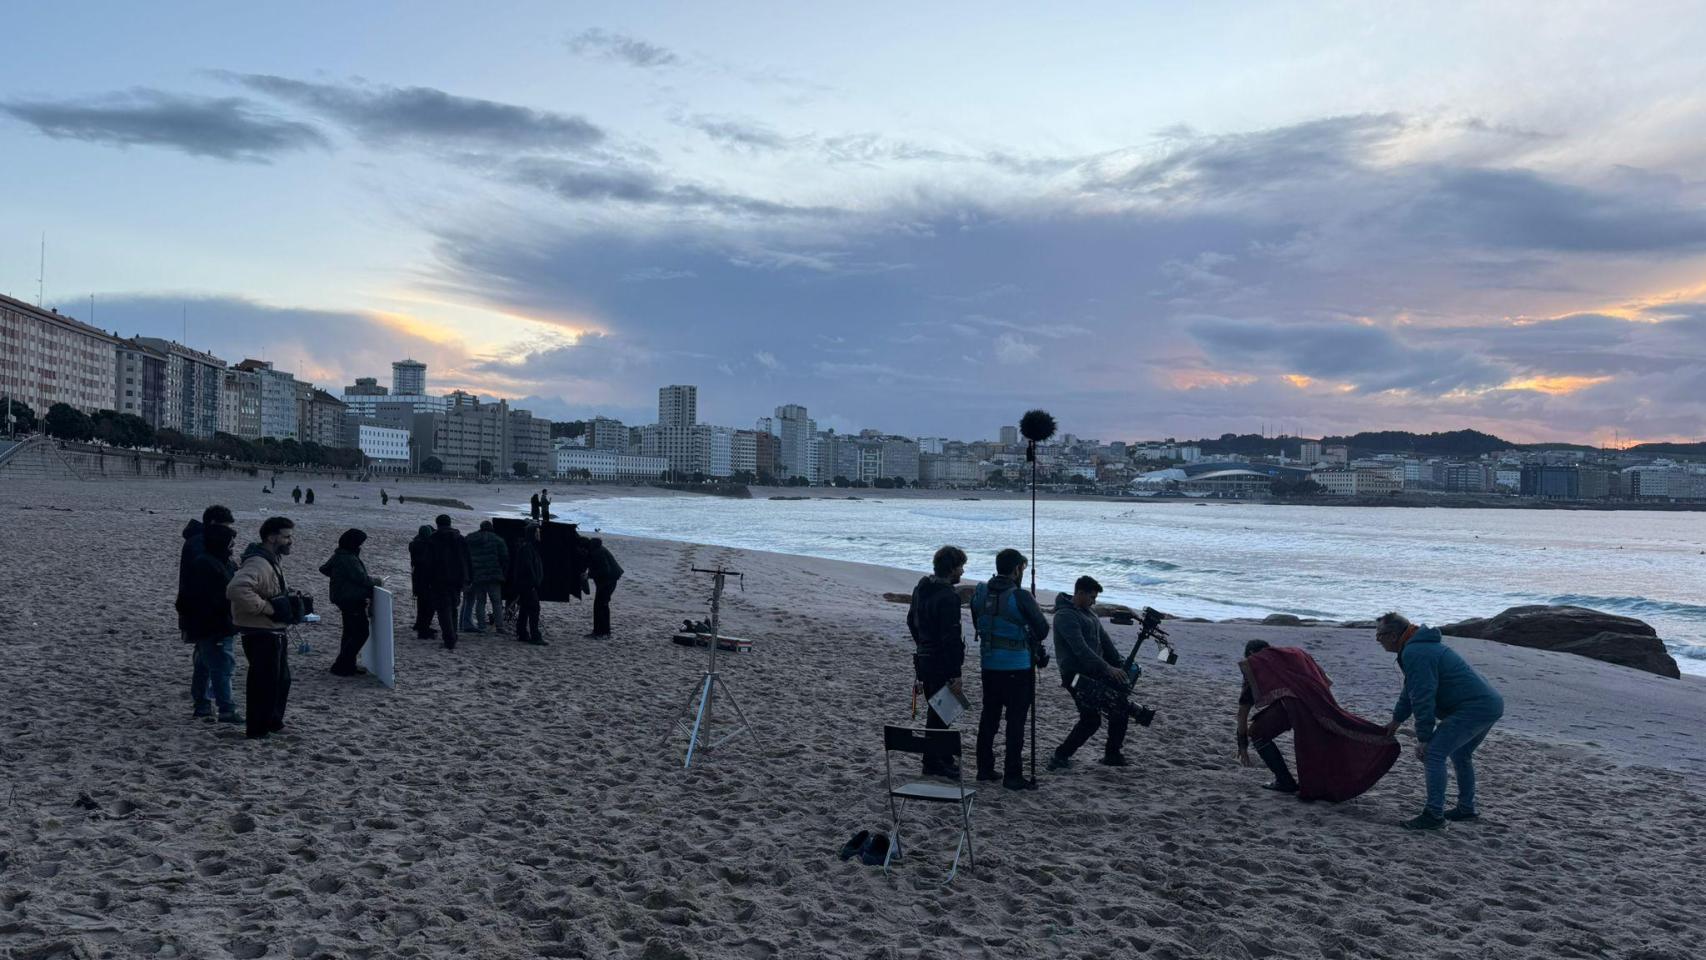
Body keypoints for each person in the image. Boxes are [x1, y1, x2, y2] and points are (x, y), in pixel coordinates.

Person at [1377, 612, 1505, 831]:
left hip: (1473, 708)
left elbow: (1423, 697)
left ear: (1393, 635)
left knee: (1433, 754)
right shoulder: (1416, 646)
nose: (1377, 640)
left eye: (1379, 635)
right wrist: (1396, 721)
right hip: (1490, 705)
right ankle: (1466, 808)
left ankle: (1434, 815)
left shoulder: (1416, 652)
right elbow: (1410, 689)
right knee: (1460, 754)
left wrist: (1424, 738)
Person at [1236, 639, 1399, 801]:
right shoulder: (1296, 653)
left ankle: (1284, 781)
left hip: (1293, 705)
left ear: (1251, 653)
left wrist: (1242, 744)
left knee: (1257, 733)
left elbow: (1243, 711)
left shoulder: (1254, 663)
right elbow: (1326, 681)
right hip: (1319, 701)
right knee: (1318, 743)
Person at [971, 549, 1050, 790]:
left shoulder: (980, 592)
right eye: (1022, 569)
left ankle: (984, 769)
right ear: (1017, 569)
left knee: (989, 718)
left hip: (989, 664)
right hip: (1017, 666)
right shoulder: (1021, 596)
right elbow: (1043, 629)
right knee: (1015, 722)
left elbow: (978, 622)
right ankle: (1012, 775)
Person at [1046, 576, 1131, 771]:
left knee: (1121, 707)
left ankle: (1112, 754)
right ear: (1080, 593)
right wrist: (1108, 668)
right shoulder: (1065, 616)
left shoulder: (1090, 614)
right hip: (1075, 675)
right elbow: (1080, 649)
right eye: (1092, 597)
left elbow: (1105, 641)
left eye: (1096, 598)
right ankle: (1060, 755)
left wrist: (1118, 664)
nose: (1094, 601)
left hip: (1096, 671)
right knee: (1091, 720)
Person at [227, 517, 301, 740]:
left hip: (273, 630)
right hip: (261, 631)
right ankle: (258, 730)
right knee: (263, 682)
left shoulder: (272, 559)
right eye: (286, 536)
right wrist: (266, 608)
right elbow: (236, 589)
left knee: (280, 680)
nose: (290, 541)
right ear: (271, 537)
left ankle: (273, 722)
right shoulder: (258, 562)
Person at [907, 545, 968, 778]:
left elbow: (911, 620)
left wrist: (922, 643)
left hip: (924, 657)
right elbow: (951, 638)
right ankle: (933, 761)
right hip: (941, 661)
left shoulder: (921, 588)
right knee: (942, 711)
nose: (962, 572)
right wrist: (956, 672)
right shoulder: (948, 597)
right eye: (960, 567)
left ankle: (941, 757)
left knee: (940, 709)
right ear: (951, 569)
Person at [177, 504, 235, 718]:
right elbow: (206, 581)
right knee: (212, 659)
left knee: (204, 658)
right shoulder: (201, 545)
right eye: (225, 528)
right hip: (204, 612)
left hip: (198, 611)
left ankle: (202, 702)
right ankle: (206, 703)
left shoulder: (199, 542)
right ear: (213, 525)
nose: (228, 533)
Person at [320, 528, 384, 676]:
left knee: (349, 632)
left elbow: (324, 569)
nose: (361, 546)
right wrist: (378, 581)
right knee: (361, 633)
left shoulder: (339, 554)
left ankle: (347, 664)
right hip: (351, 599)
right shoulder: (348, 558)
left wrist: (339, 576)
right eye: (360, 543)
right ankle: (341, 665)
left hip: (343, 598)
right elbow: (362, 578)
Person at [426, 514, 472, 649]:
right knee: (453, 607)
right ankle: (453, 635)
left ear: (437, 524)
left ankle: (449, 638)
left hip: (439, 578)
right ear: (450, 523)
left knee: (443, 609)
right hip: (457, 579)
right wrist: (468, 578)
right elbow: (467, 560)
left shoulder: (433, 539)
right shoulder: (459, 538)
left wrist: (427, 580)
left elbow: (428, 562)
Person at [462, 520, 509, 634]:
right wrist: (503, 572)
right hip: (494, 575)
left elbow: (466, 555)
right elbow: (505, 558)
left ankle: (481, 626)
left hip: (478, 575)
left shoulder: (471, 539)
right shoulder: (498, 540)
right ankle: (499, 627)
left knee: (480, 601)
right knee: (496, 602)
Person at [510, 520, 546, 645]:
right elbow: (528, 568)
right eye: (537, 532)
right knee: (534, 609)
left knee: (525, 609)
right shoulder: (527, 548)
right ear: (532, 533)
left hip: (526, 584)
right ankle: (534, 636)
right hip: (528, 584)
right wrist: (534, 582)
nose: (539, 534)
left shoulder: (529, 547)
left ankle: (522, 633)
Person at [584, 537, 623, 638]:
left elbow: (605, 570)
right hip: (609, 580)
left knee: (599, 606)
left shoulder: (597, 552)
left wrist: (589, 575)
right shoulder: (598, 549)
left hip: (608, 581)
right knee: (602, 606)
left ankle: (600, 632)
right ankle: (604, 632)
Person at [408, 524, 437, 639]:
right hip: (428, 577)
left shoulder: (414, 544)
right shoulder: (429, 545)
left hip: (417, 576)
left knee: (421, 602)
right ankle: (424, 628)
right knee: (429, 604)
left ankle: (419, 624)